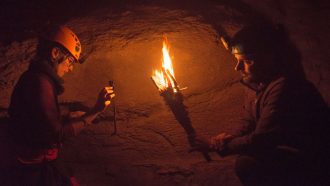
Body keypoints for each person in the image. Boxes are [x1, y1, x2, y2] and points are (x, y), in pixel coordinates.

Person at [192, 21, 330, 186]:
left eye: (247, 61)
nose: (238, 67)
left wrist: (217, 145)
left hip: (314, 160)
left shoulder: (285, 86)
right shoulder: (257, 83)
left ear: (268, 58)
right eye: (237, 60)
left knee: (247, 164)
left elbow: (262, 139)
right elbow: (248, 121)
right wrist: (227, 137)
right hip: (287, 149)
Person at [6, 26, 115, 185]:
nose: (70, 68)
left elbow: (38, 122)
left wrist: (68, 117)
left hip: (38, 163)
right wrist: (94, 112)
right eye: (70, 61)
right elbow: (56, 134)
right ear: (55, 53)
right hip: (34, 170)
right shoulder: (40, 83)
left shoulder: (37, 78)